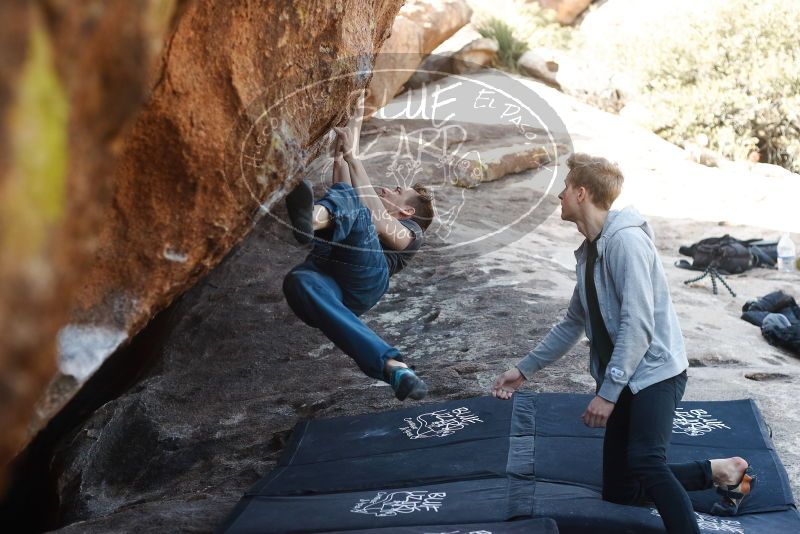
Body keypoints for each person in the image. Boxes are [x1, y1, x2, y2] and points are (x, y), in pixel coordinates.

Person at [490, 153, 756, 532]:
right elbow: (572, 323)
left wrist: (608, 393)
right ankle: (720, 472)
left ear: (581, 193)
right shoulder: (590, 251)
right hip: (625, 373)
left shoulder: (625, 243)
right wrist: (523, 370)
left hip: (655, 373)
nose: (559, 196)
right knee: (621, 489)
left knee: (647, 462)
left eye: (565, 188)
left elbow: (638, 326)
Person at [282, 91, 434, 401]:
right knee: (298, 280)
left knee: (354, 203)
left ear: (407, 212)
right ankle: (394, 368)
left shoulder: (412, 232)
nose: (386, 189)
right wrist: (343, 149)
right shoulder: (367, 206)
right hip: (327, 272)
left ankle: (309, 221)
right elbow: (344, 188)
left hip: (364, 281)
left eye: (396, 191)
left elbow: (375, 218)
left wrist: (354, 157)